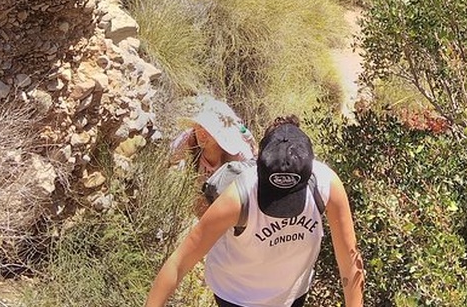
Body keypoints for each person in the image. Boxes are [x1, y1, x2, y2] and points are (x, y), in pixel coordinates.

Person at [147, 116, 364, 307]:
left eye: (290, 198)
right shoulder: (238, 197)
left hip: (292, 294)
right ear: (257, 168)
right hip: (237, 296)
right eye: (274, 197)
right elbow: (180, 262)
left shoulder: (326, 186)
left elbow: (349, 262)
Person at [171, 96, 258, 182]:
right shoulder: (188, 138)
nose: (202, 133)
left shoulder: (240, 156)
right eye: (200, 126)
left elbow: (250, 185)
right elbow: (170, 163)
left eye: (208, 129)